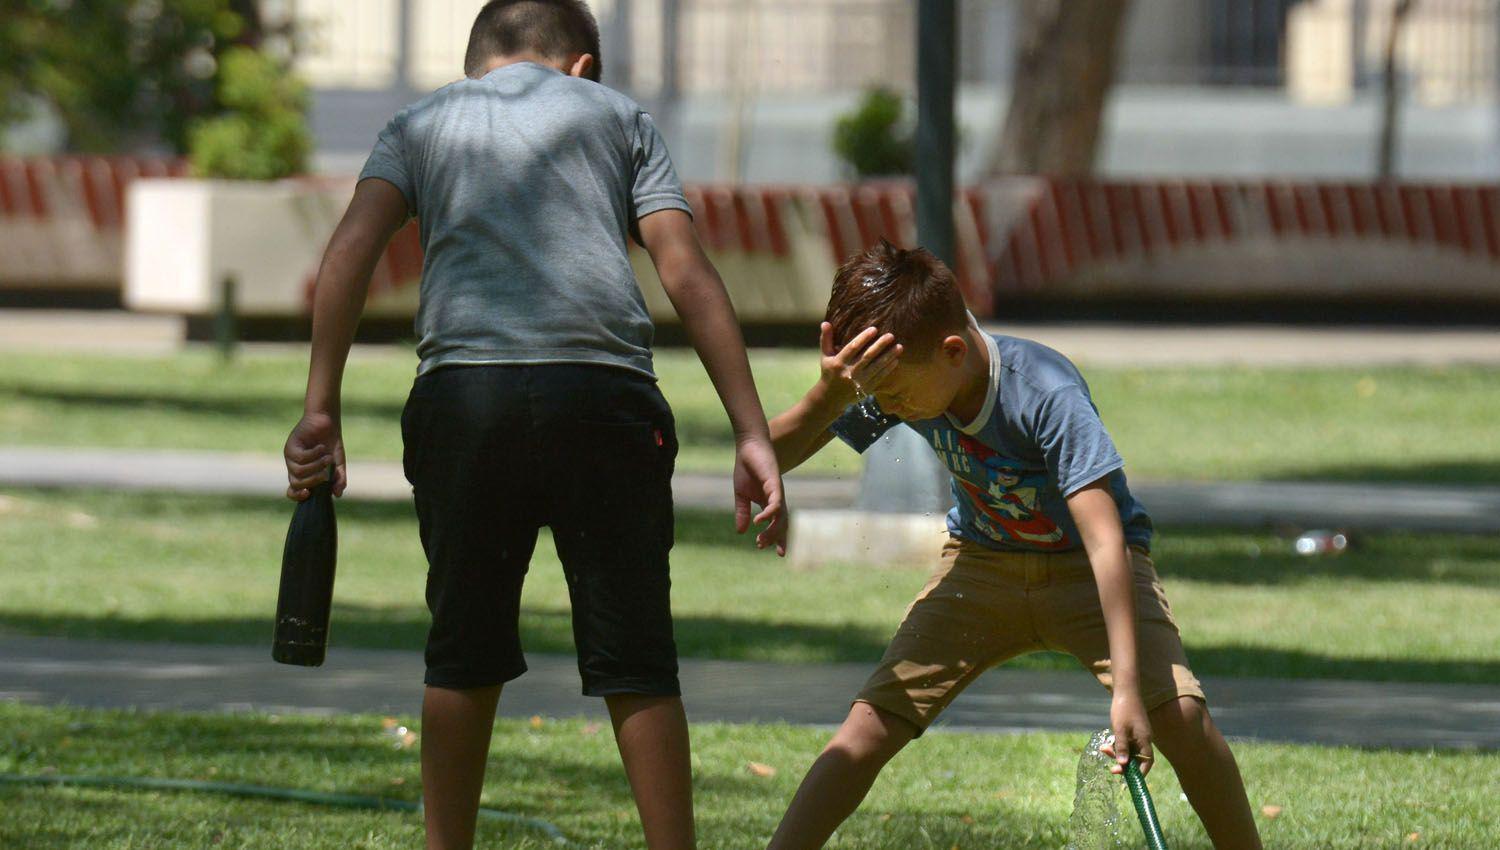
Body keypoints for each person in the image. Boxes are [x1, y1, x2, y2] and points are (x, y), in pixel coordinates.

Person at [281, 3, 787, 848]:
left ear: (475, 61)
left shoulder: (421, 121)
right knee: (637, 659)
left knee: (462, 651)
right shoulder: (619, 116)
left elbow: (349, 253)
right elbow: (684, 268)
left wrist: (319, 409)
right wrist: (751, 431)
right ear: (583, 65)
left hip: (464, 404)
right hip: (605, 402)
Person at [762, 240, 1261, 849]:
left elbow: (1106, 541)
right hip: (982, 568)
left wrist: (1129, 689)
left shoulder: (1044, 392)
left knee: (1181, 716)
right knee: (868, 727)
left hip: (1086, 569)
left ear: (952, 351)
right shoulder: (906, 377)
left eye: (891, 397)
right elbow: (770, 454)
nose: (885, 408)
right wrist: (831, 394)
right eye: (878, 396)